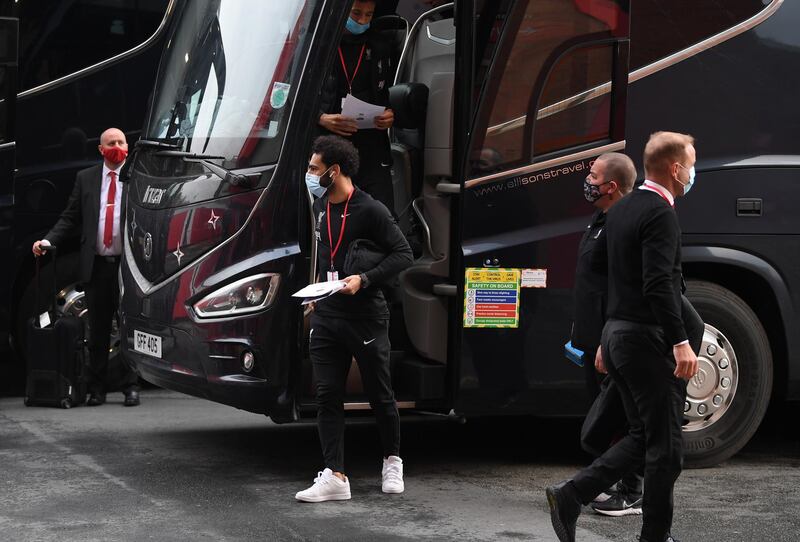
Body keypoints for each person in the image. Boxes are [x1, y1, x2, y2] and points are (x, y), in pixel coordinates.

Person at [546, 132, 700, 542]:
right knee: (666, 450)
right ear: (675, 168)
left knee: (643, 436)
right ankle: (653, 536)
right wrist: (681, 341)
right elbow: (659, 284)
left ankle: (572, 495)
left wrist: (606, 339)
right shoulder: (660, 214)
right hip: (646, 342)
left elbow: (615, 281)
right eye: (691, 163)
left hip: (619, 336)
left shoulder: (621, 211)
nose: (692, 172)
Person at [295, 135, 412, 503]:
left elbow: (403, 253)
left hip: (365, 315)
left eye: (315, 169)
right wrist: (314, 296)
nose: (310, 175)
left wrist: (364, 279)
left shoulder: (371, 209)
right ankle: (335, 475)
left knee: (380, 393)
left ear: (335, 170)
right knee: (327, 393)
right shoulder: (319, 207)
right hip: (327, 312)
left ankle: (392, 460)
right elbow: (323, 254)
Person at [32, 127, 140, 407]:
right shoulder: (87, 179)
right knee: (98, 329)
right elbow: (69, 217)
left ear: (127, 146)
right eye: (110, 143)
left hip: (128, 267)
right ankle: (96, 388)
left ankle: (131, 387)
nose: (116, 147)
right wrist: (47, 241)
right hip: (98, 266)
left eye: (120, 142)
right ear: (101, 149)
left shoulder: (137, 176)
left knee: (128, 327)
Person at [570, 152, 645, 516]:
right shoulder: (602, 217)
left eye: (593, 174)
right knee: (602, 415)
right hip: (592, 336)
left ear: (611, 186)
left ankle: (632, 492)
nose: (587, 178)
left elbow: (622, 288)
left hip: (611, 339)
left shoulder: (624, 225)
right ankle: (606, 482)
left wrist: (605, 341)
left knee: (621, 417)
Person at [318, 0, 397, 214]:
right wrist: (322, 118)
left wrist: (389, 114)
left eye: (368, 15)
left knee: (381, 213)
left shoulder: (380, 45)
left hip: (371, 144)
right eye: (356, 14)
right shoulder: (319, 45)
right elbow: (293, 98)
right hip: (330, 144)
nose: (362, 20)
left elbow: (386, 93)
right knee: (335, 216)